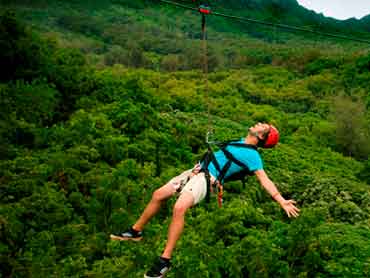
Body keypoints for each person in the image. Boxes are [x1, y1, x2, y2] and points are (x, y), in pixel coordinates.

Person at [110, 122, 300, 278]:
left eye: (263, 127)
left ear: (261, 137)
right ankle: (135, 231)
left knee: (179, 207)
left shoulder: (254, 157)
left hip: (207, 179)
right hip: (196, 172)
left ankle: (164, 261)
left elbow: (264, 180)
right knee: (158, 194)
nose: (259, 124)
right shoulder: (240, 141)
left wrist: (280, 200)